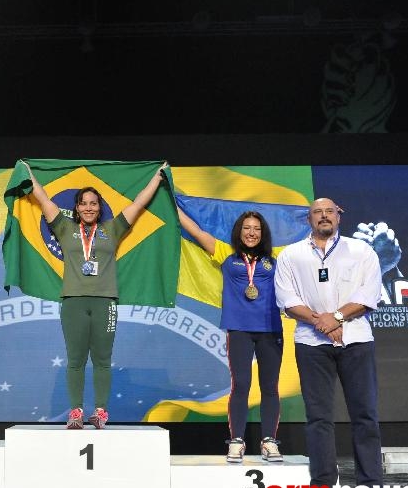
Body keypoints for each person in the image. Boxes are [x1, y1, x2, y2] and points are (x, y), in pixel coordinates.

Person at [23, 161, 168, 429]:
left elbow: (138, 204)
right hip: (73, 302)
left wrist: (157, 179)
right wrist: (28, 174)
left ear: (99, 207)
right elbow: (42, 198)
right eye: (84, 203)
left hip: (105, 303)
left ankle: (100, 412)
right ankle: (76, 412)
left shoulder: (112, 229)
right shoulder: (65, 228)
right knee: (76, 360)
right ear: (76, 208)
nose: (89, 207)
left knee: (102, 360)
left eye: (93, 203)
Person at [273, 198, 384, 488]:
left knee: (365, 418)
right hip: (311, 345)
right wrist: (322, 324)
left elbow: (368, 295)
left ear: (339, 216)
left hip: (357, 342)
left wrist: (334, 318)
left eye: (329, 211)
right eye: (318, 212)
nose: (324, 216)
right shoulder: (291, 255)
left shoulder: (362, 251)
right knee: (319, 420)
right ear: (309, 218)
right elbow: (288, 299)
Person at [177, 207, 283, 462]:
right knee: (241, 385)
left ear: (263, 233)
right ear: (239, 231)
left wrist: (328, 216)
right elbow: (195, 231)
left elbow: (309, 244)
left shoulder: (276, 257)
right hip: (239, 330)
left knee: (270, 387)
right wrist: (171, 200)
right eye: (247, 228)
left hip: (270, 330)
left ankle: (269, 442)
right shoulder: (226, 253)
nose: (252, 233)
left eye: (257, 229)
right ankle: (237, 441)